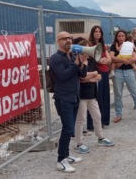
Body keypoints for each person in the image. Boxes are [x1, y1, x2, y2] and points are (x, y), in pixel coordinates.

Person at [49, 31, 87, 173]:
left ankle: (66, 153)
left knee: (69, 129)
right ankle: (60, 160)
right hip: (63, 98)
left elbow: (81, 75)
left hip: (74, 96)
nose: (68, 40)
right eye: (64, 39)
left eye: (69, 38)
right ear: (58, 42)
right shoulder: (55, 58)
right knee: (67, 129)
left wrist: (81, 64)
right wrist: (75, 64)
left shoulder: (71, 56)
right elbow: (62, 76)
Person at [74, 40, 114, 154]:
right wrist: (92, 75)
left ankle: (100, 137)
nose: (88, 51)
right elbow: (81, 77)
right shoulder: (76, 62)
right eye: (85, 48)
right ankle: (79, 143)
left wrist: (89, 77)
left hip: (92, 95)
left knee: (97, 116)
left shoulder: (91, 61)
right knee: (81, 120)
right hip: (81, 95)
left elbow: (99, 76)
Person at [110, 30, 136, 123]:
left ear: (125, 37)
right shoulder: (114, 46)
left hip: (129, 71)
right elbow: (111, 57)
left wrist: (122, 61)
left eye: (122, 36)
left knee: (135, 93)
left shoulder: (129, 45)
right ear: (116, 37)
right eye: (119, 36)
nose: (121, 38)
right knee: (118, 94)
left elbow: (135, 58)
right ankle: (118, 114)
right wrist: (124, 60)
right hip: (118, 72)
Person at [87, 25, 112, 130]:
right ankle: (93, 123)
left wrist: (103, 60)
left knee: (105, 97)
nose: (97, 33)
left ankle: (104, 121)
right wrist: (101, 60)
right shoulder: (89, 45)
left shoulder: (103, 45)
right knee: (96, 98)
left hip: (105, 72)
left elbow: (109, 59)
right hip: (96, 73)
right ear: (92, 33)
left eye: (99, 32)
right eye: (95, 31)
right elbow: (95, 59)